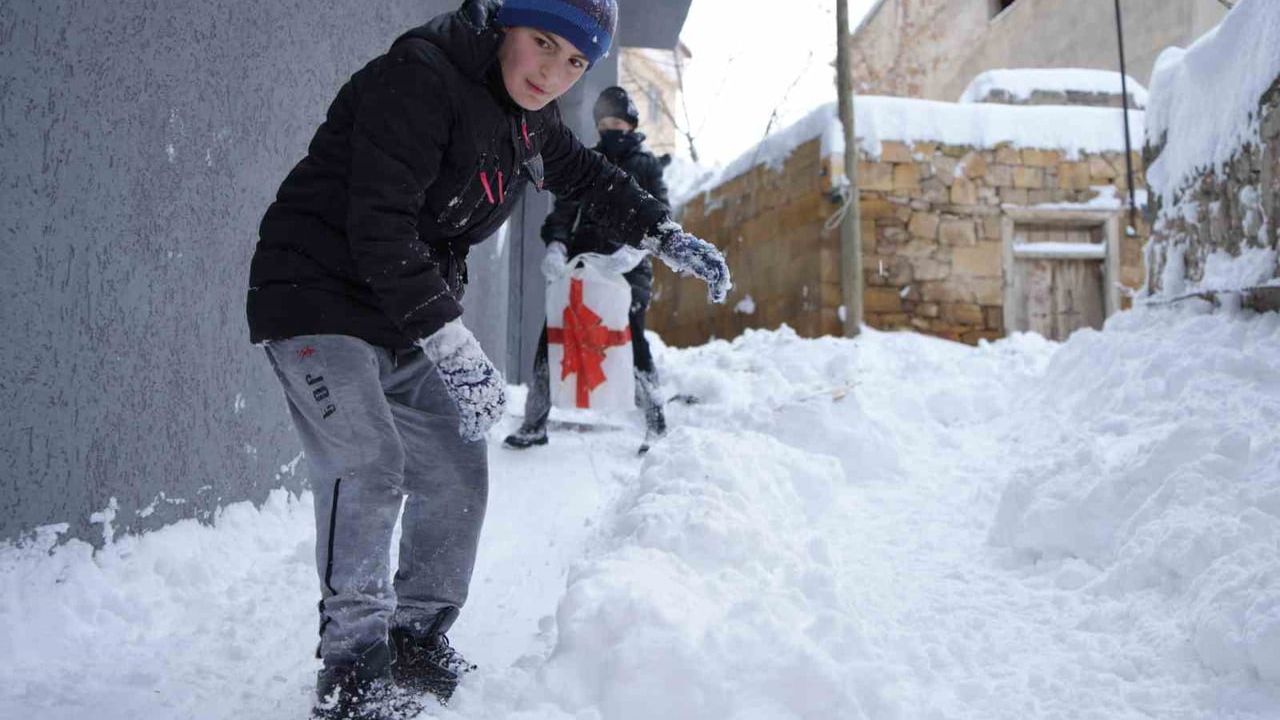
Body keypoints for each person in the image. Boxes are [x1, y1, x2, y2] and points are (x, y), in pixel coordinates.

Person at [244, 1, 731, 717]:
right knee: (370, 462)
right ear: (506, 23)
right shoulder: (421, 77)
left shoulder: (529, 117)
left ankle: (415, 635)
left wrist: (664, 233)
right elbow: (379, 227)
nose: (553, 72)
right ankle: (353, 672)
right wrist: (452, 344)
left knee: (456, 465)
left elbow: (589, 177)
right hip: (315, 296)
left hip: (404, 315)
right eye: (542, 43)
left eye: (574, 61)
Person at [504, 86, 671, 454]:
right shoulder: (588, 161)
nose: (611, 128)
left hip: (628, 269)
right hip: (582, 264)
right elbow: (563, 210)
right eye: (605, 122)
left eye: (618, 121)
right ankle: (534, 422)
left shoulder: (645, 165)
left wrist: (635, 250)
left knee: (631, 339)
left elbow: (661, 214)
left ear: (631, 124)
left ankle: (657, 422)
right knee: (553, 333)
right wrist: (557, 244)